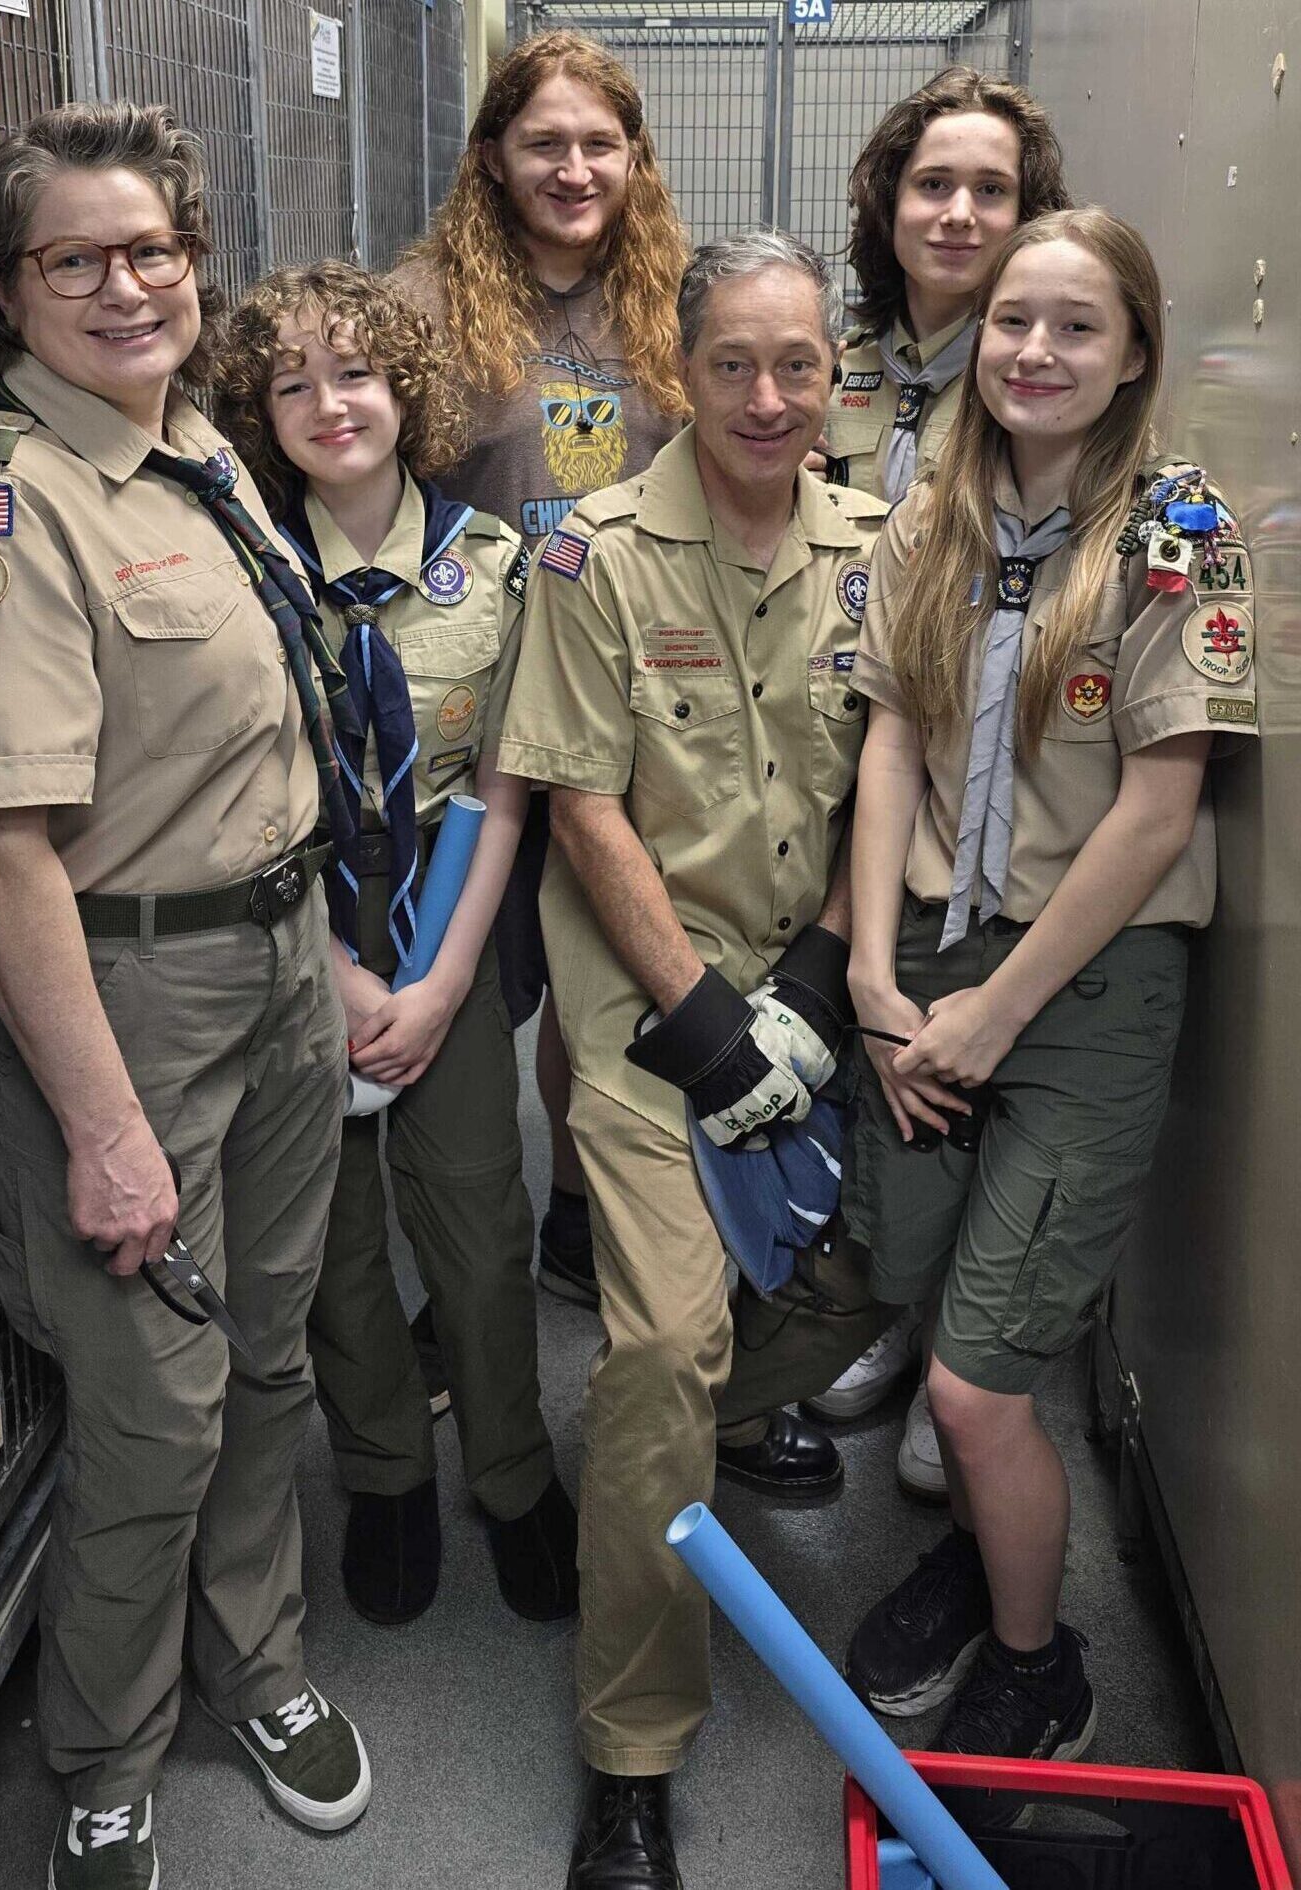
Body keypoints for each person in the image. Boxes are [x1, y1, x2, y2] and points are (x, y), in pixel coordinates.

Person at [0, 104, 370, 1889]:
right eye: (72, 258)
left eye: (152, 249)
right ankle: (105, 1756)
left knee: (269, 1353)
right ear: (6, 290)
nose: (124, 285)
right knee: (155, 1406)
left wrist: (321, 947)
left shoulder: (196, 454)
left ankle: (260, 1661)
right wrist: (101, 1128)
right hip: (120, 1003)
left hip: (277, 970)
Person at [498, 231, 897, 1888]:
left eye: (798, 363)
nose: (767, 396)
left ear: (835, 373)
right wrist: (715, 1026)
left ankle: (701, 1421)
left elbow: (893, 784)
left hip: (822, 987)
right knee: (663, 1347)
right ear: (684, 370)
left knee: (902, 1261)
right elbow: (582, 805)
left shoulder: (882, 549)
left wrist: (815, 988)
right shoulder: (592, 555)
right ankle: (633, 1749)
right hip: (650, 1013)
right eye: (732, 362)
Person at [842, 208, 1256, 1797]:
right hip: (931, 957)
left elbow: (1159, 812)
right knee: (923, 1282)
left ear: (1136, 350)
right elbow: (892, 735)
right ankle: (983, 1554)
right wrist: (876, 981)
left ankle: (1042, 1664)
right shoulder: (934, 511)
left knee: (976, 1377)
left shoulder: (1178, 531)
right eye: (1015, 320)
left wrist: (995, 1013)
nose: (1035, 351)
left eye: (1079, 327)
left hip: (1081, 976)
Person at [215, 261, 576, 1629]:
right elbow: (242, 789)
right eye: (291, 383)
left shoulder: (494, 566)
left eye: (355, 372)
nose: (329, 403)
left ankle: (514, 1472)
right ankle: (384, 1473)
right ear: (260, 414)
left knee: (479, 1222)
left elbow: (508, 785)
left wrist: (440, 980)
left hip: (447, 924)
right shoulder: (250, 573)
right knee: (336, 1234)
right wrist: (336, 969)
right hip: (297, 926)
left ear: (404, 389)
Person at [393, 30, 690, 1324]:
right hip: (477, 702)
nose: (574, 169)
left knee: (598, 967)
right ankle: (456, 1276)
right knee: (463, 976)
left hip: (632, 689)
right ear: (492, 157)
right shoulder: (422, 307)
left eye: (599, 144)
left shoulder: (672, 295)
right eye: (544, 144)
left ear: (634, 158)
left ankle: (575, 1216)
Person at [811, 65, 1071, 1485]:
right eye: (933, 184)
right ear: (888, 201)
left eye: (993, 189)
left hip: (962, 755)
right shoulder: (834, 357)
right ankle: (877, 1305)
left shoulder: (1039, 365)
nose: (960, 213)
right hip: (821, 733)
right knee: (858, 1036)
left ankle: (948, 1353)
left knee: (950, 1042)